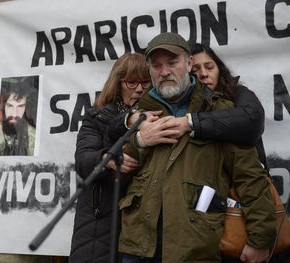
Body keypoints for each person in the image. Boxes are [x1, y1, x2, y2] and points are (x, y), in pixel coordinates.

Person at [118, 32, 276, 263]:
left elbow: (250, 179)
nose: (164, 72)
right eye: (156, 66)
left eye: (172, 63)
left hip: (194, 249)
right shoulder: (139, 114)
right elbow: (118, 176)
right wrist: (137, 142)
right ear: (150, 70)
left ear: (189, 63)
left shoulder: (219, 111)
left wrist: (260, 239)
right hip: (137, 249)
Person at [69, 53, 154, 263]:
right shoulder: (96, 116)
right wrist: (106, 159)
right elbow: (83, 161)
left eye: (145, 82)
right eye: (132, 82)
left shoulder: (158, 117)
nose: (139, 88)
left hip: (143, 222)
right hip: (101, 222)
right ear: (118, 83)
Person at [0, 76, 38, 156]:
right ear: (3, 106)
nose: (14, 114)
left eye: (20, 106)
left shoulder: (34, 138)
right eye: (10, 106)